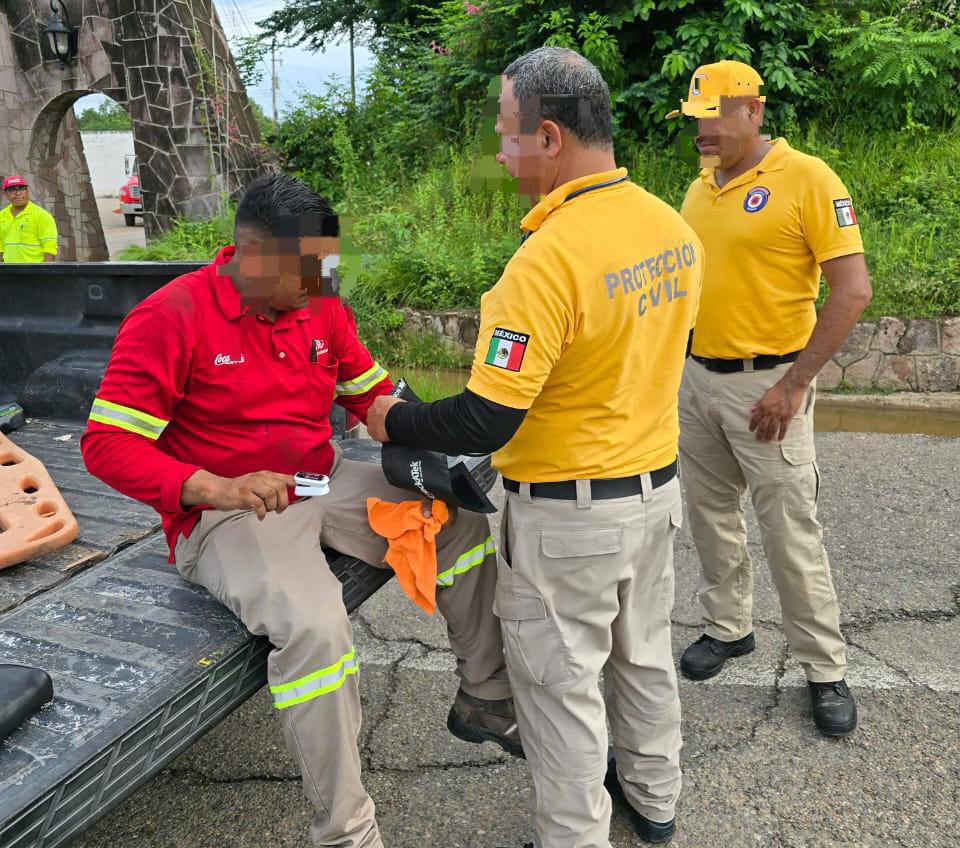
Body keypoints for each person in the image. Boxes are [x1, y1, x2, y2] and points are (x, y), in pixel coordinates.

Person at [81, 173, 521, 848]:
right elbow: (106, 445)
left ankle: (485, 699)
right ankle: (348, 832)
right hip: (230, 514)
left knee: (461, 526)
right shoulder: (172, 316)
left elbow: (371, 401)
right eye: (309, 268)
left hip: (322, 480)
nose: (323, 281)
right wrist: (215, 488)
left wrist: (453, 430)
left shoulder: (320, 309)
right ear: (252, 254)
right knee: (316, 629)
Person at [367, 47, 703, 847]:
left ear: (549, 137)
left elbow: (487, 421)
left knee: (561, 694)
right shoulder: (672, 228)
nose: (499, 150)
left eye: (506, 133)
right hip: (655, 496)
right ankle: (655, 803)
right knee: (645, 658)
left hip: (566, 523)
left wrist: (392, 421)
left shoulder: (545, 261)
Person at [667, 61, 872, 737]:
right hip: (698, 380)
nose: (702, 132)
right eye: (694, 120)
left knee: (790, 530)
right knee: (709, 514)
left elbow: (852, 291)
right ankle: (729, 628)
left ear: (752, 110)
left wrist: (792, 385)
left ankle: (824, 667)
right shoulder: (699, 189)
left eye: (714, 118)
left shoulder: (808, 179)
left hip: (771, 387)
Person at [0, 176, 57, 262]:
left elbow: (49, 247)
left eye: (22, 188)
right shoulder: (1, 216)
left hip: (34, 273)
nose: (18, 193)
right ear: (5, 194)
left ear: (27, 191)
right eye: (12, 189)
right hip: (9, 272)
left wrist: (45, 274)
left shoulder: (42, 215)